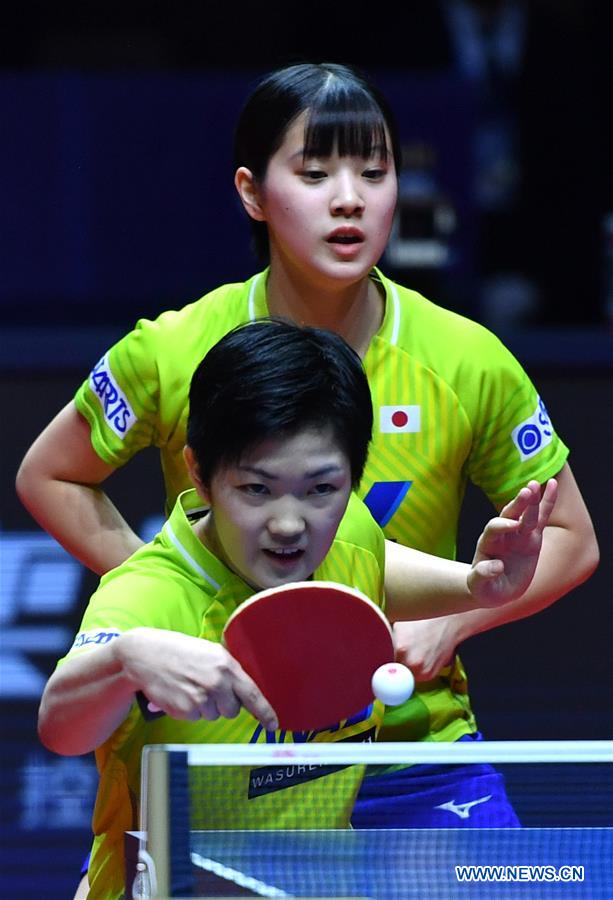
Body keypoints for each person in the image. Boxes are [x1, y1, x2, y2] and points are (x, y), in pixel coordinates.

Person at [20, 59, 596, 850]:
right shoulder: (175, 347)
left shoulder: (467, 359)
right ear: (252, 192)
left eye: (374, 170)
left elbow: (569, 538)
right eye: (316, 172)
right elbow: (49, 475)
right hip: (236, 733)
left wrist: (458, 617)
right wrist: (176, 599)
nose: (350, 197)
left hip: (405, 729)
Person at [38, 320, 557, 899]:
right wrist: (125, 660)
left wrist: (476, 585)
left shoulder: (347, 536)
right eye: (257, 490)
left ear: (353, 478)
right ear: (200, 475)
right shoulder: (151, 596)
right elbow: (61, 729)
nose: (289, 524)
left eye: (320, 489)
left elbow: (373, 564)